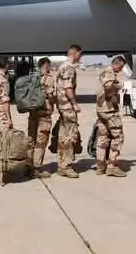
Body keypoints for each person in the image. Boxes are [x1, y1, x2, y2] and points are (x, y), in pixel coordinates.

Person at [94, 56, 127, 177]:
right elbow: (108, 85)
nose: (121, 70)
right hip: (109, 110)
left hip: (102, 109)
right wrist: (119, 84)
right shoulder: (109, 72)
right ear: (116, 64)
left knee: (103, 137)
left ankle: (100, 165)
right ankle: (112, 165)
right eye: (121, 67)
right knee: (118, 137)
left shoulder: (106, 71)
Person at [55, 44, 83, 178]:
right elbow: (68, 88)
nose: (80, 57)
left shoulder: (62, 66)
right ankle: (66, 166)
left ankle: (61, 164)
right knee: (71, 137)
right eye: (79, 54)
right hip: (67, 107)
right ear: (75, 53)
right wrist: (75, 104)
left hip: (62, 106)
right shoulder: (69, 68)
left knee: (63, 137)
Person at [27, 57, 54, 178]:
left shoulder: (32, 77)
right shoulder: (48, 78)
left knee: (31, 140)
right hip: (44, 114)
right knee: (40, 142)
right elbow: (51, 96)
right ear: (46, 65)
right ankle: (36, 169)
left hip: (33, 113)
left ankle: (28, 166)